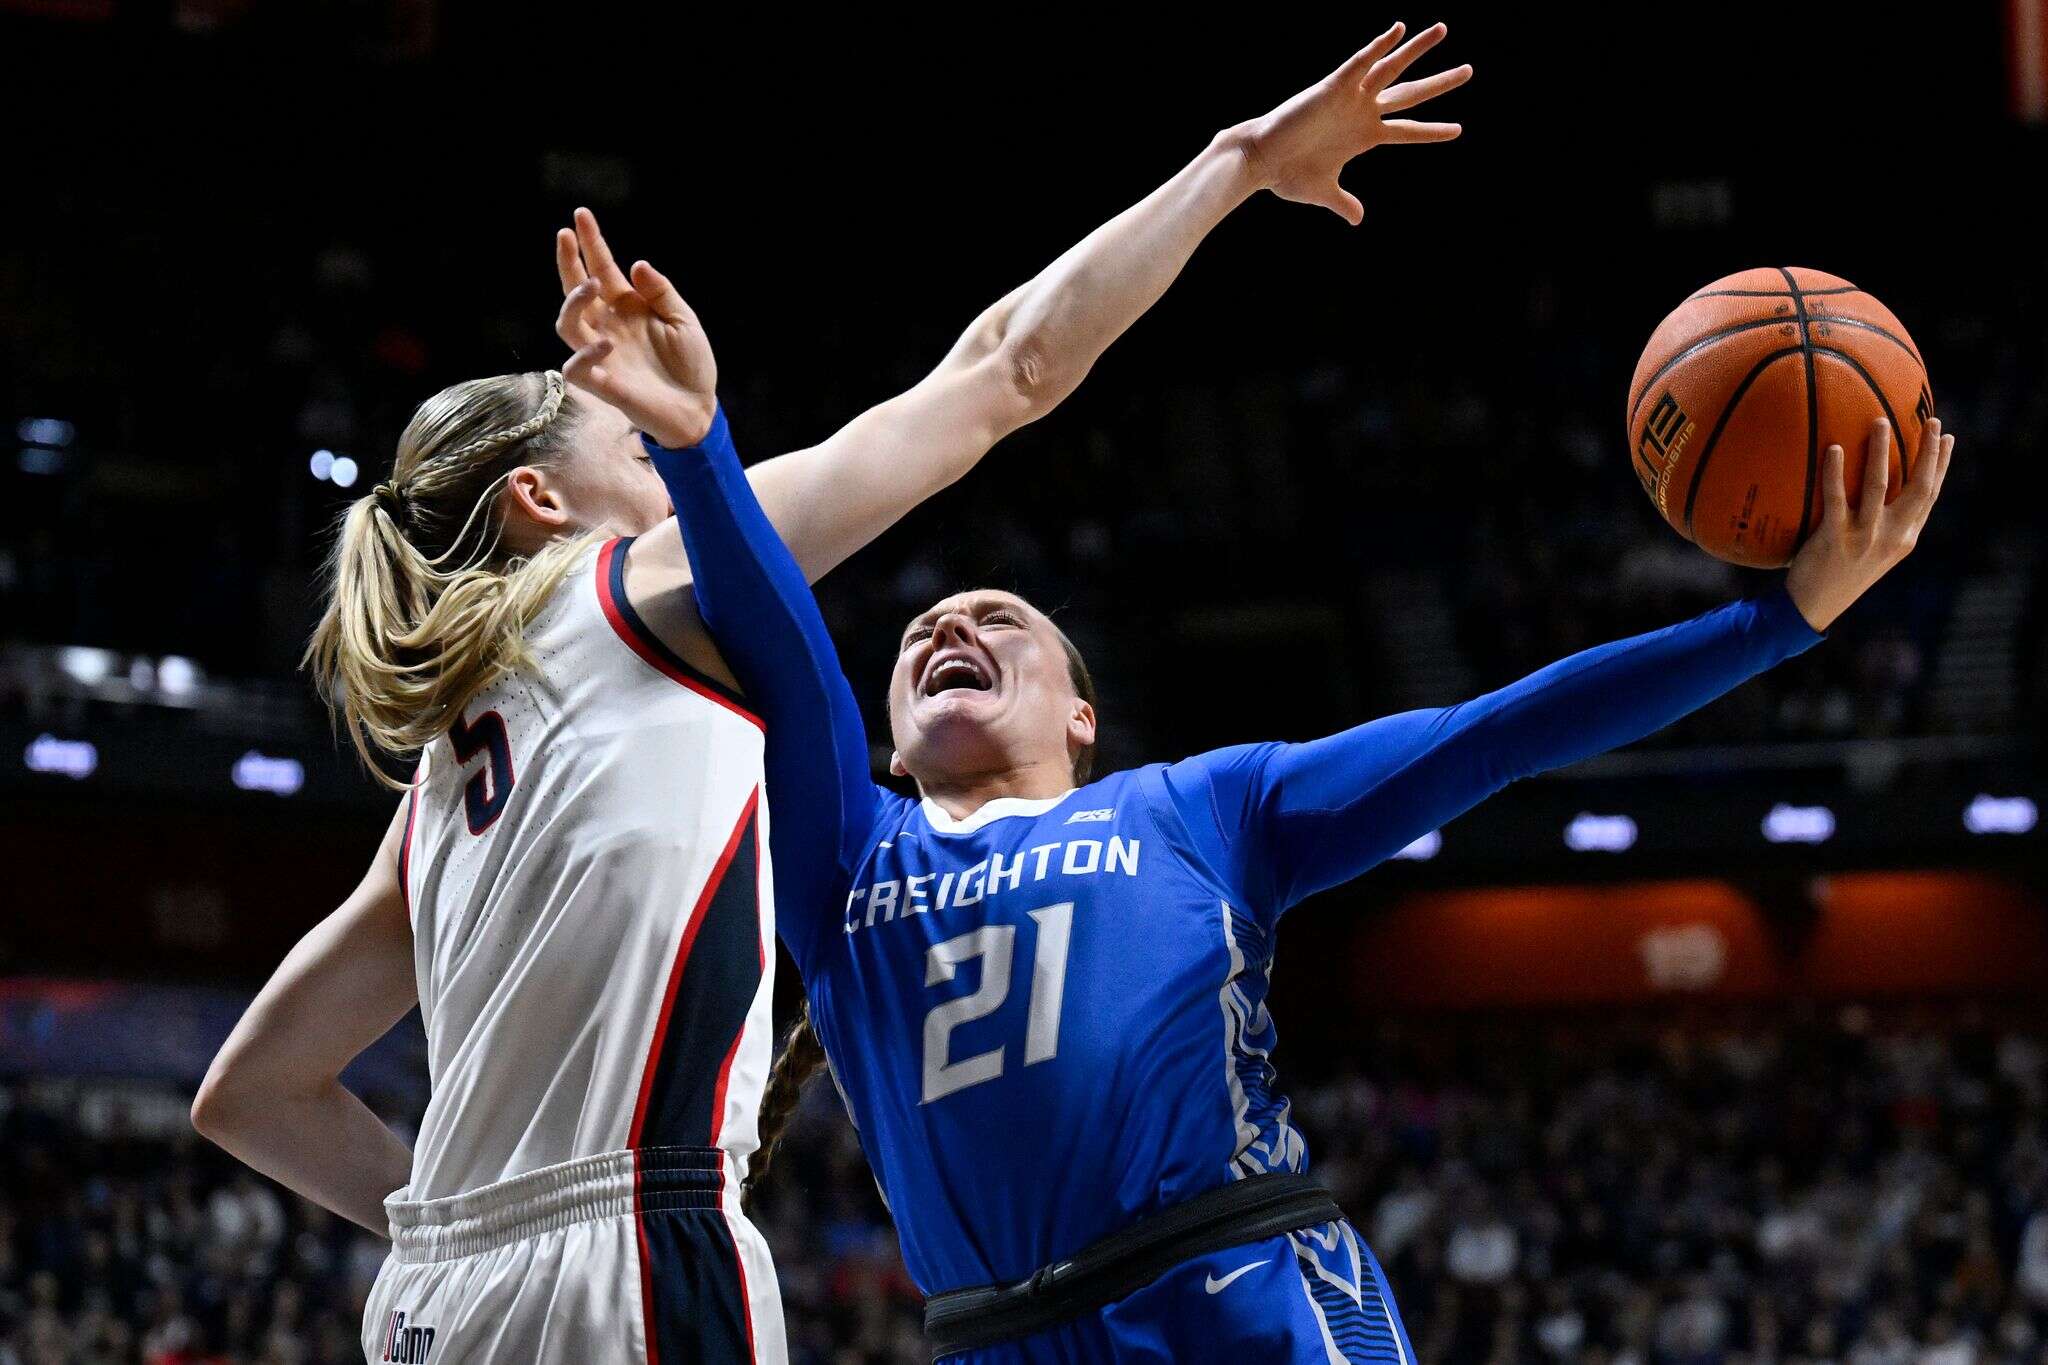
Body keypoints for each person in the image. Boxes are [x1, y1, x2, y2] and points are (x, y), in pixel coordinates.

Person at [625, 51, 1956, 1365]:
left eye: (997, 619)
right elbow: (782, 640)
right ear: (885, 737)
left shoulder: (1205, 809)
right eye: (924, 630)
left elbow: (1497, 732)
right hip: (998, 1343)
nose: (946, 625)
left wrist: (1777, 620)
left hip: (1243, 1297)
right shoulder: (847, 860)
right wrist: (700, 452)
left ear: (1085, 717)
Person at [188, 128, 1303, 1365]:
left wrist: (452, 1226)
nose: (672, 484)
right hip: (623, 1262)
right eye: (632, 449)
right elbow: (1006, 372)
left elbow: (250, 1094)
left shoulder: (439, 788)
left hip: (427, 1311)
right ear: (540, 501)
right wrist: (1235, 165)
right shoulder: (641, 586)